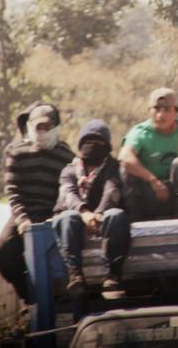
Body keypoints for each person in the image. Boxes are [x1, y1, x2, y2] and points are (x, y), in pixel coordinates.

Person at [0, 102, 75, 304]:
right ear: (30, 126)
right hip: (25, 214)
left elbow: (68, 191)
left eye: (48, 127)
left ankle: (64, 295)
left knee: (61, 256)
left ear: (56, 128)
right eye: (39, 126)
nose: (43, 131)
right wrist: (22, 219)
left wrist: (56, 216)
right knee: (4, 252)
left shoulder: (67, 156)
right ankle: (29, 296)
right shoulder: (16, 153)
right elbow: (13, 191)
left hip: (54, 215)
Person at [52, 119, 130, 298]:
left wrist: (99, 213)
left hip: (103, 218)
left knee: (116, 215)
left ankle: (113, 275)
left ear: (107, 146)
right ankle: (75, 274)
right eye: (88, 141)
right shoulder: (70, 170)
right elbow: (68, 193)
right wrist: (85, 212)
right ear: (81, 144)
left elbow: (112, 189)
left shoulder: (113, 167)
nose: (93, 146)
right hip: (78, 218)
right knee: (66, 217)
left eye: (99, 142)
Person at [118, 87, 178, 221]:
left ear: (176, 112)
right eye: (156, 109)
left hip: (177, 191)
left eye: (167, 110)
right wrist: (153, 181)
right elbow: (124, 157)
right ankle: (135, 220)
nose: (160, 115)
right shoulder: (140, 132)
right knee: (125, 169)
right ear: (149, 111)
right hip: (148, 192)